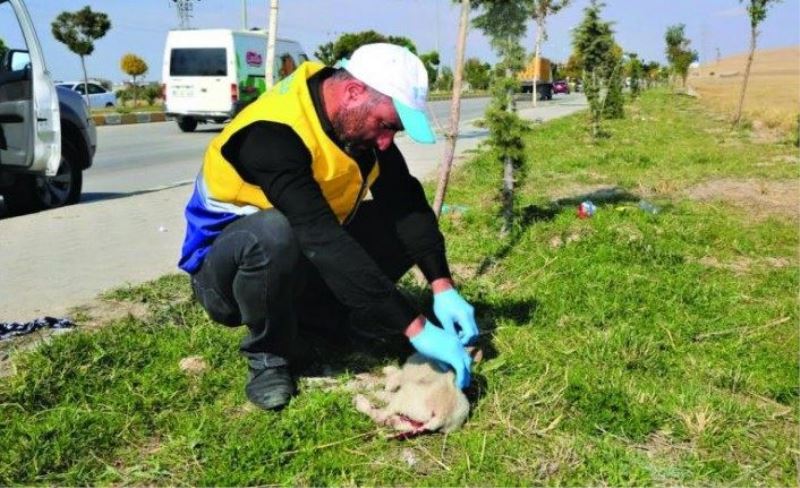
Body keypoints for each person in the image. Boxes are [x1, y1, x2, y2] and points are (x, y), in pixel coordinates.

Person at [178, 43, 479, 411]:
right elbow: (320, 236)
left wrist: (441, 284)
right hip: (226, 276)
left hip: (298, 257)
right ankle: (270, 355)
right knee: (275, 233)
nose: (387, 141)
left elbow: (406, 203)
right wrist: (416, 327)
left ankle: (324, 320)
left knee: (395, 221)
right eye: (386, 125)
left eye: (394, 130)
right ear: (354, 92)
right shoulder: (272, 134)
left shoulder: (352, 123)